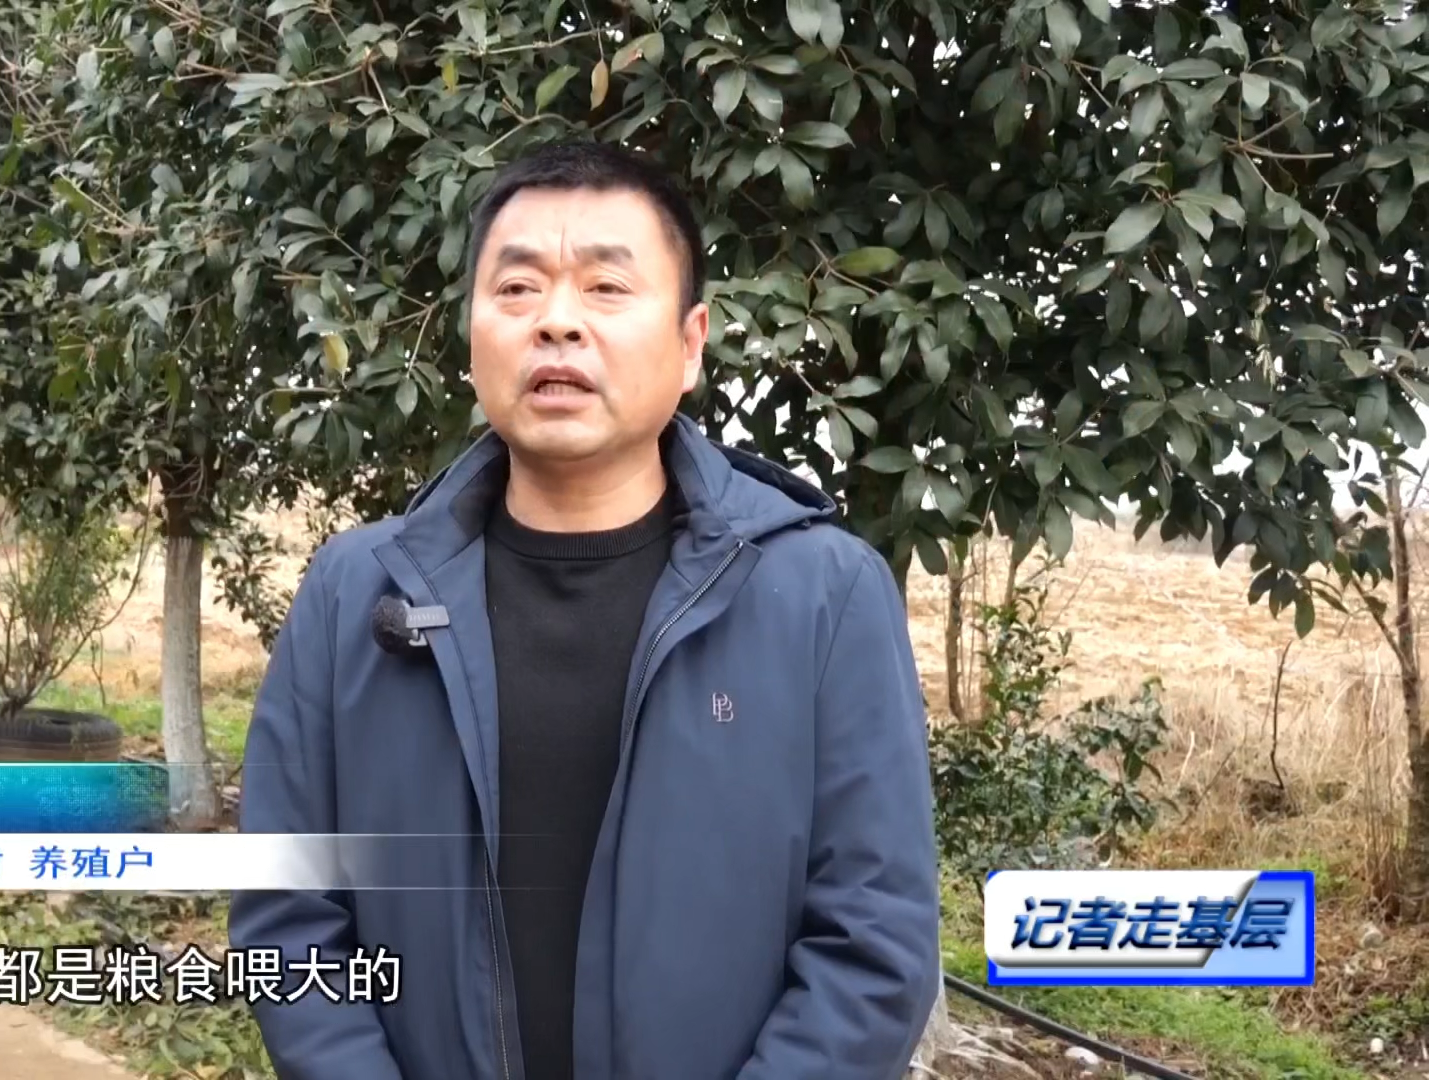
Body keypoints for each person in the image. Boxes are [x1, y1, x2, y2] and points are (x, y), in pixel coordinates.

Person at [229, 140, 940, 1080]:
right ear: (471, 335)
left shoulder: (823, 597)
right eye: (517, 289)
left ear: (691, 344)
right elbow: (289, 917)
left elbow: (873, 945)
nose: (556, 322)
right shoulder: (353, 593)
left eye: (607, 288)